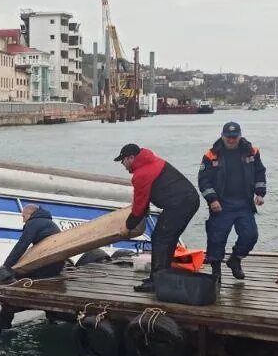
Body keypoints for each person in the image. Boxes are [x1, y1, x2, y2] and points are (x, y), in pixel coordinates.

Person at [114, 143, 201, 293]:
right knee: (167, 238)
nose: (123, 165)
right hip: (187, 200)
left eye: (123, 161)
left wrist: (128, 226)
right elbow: (145, 198)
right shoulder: (152, 161)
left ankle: (157, 282)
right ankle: (161, 277)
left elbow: (139, 207)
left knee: (161, 238)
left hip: (180, 204)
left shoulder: (141, 174)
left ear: (131, 158)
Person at [198, 121, 267, 281]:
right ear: (222, 136)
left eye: (234, 137)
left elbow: (260, 173)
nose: (231, 140)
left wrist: (260, 193)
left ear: (239, 136)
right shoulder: (211, 155)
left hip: (244, 203)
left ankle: (235, 259)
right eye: (228, 137)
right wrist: (212, 199)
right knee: (216, 238)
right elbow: (203, 181)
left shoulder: (252, 152)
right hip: (221, 204)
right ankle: (216, 271)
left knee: (250, 235)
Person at [0, 204, 64, 279]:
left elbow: (21, 246)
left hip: (48, 264)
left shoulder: (33, 223)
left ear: (30, 214)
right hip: (57, 263)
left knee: (17, 276)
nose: (23, 220)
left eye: (23, 216)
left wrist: (6, 267)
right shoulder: (49, 223)